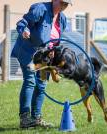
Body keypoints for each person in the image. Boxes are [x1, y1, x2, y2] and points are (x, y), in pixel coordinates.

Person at [11, 0, 72, 128]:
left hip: (44, 57)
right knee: (30, 81)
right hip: (28, 52)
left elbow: (56, 41)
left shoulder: (63, 19)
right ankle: (25, 118)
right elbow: (23, 23)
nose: (63, 6)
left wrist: (54, 52)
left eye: (66, 4)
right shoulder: (40, 9)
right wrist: (24, 30)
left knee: (42, 84)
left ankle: (36, 118)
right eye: (62, 3)